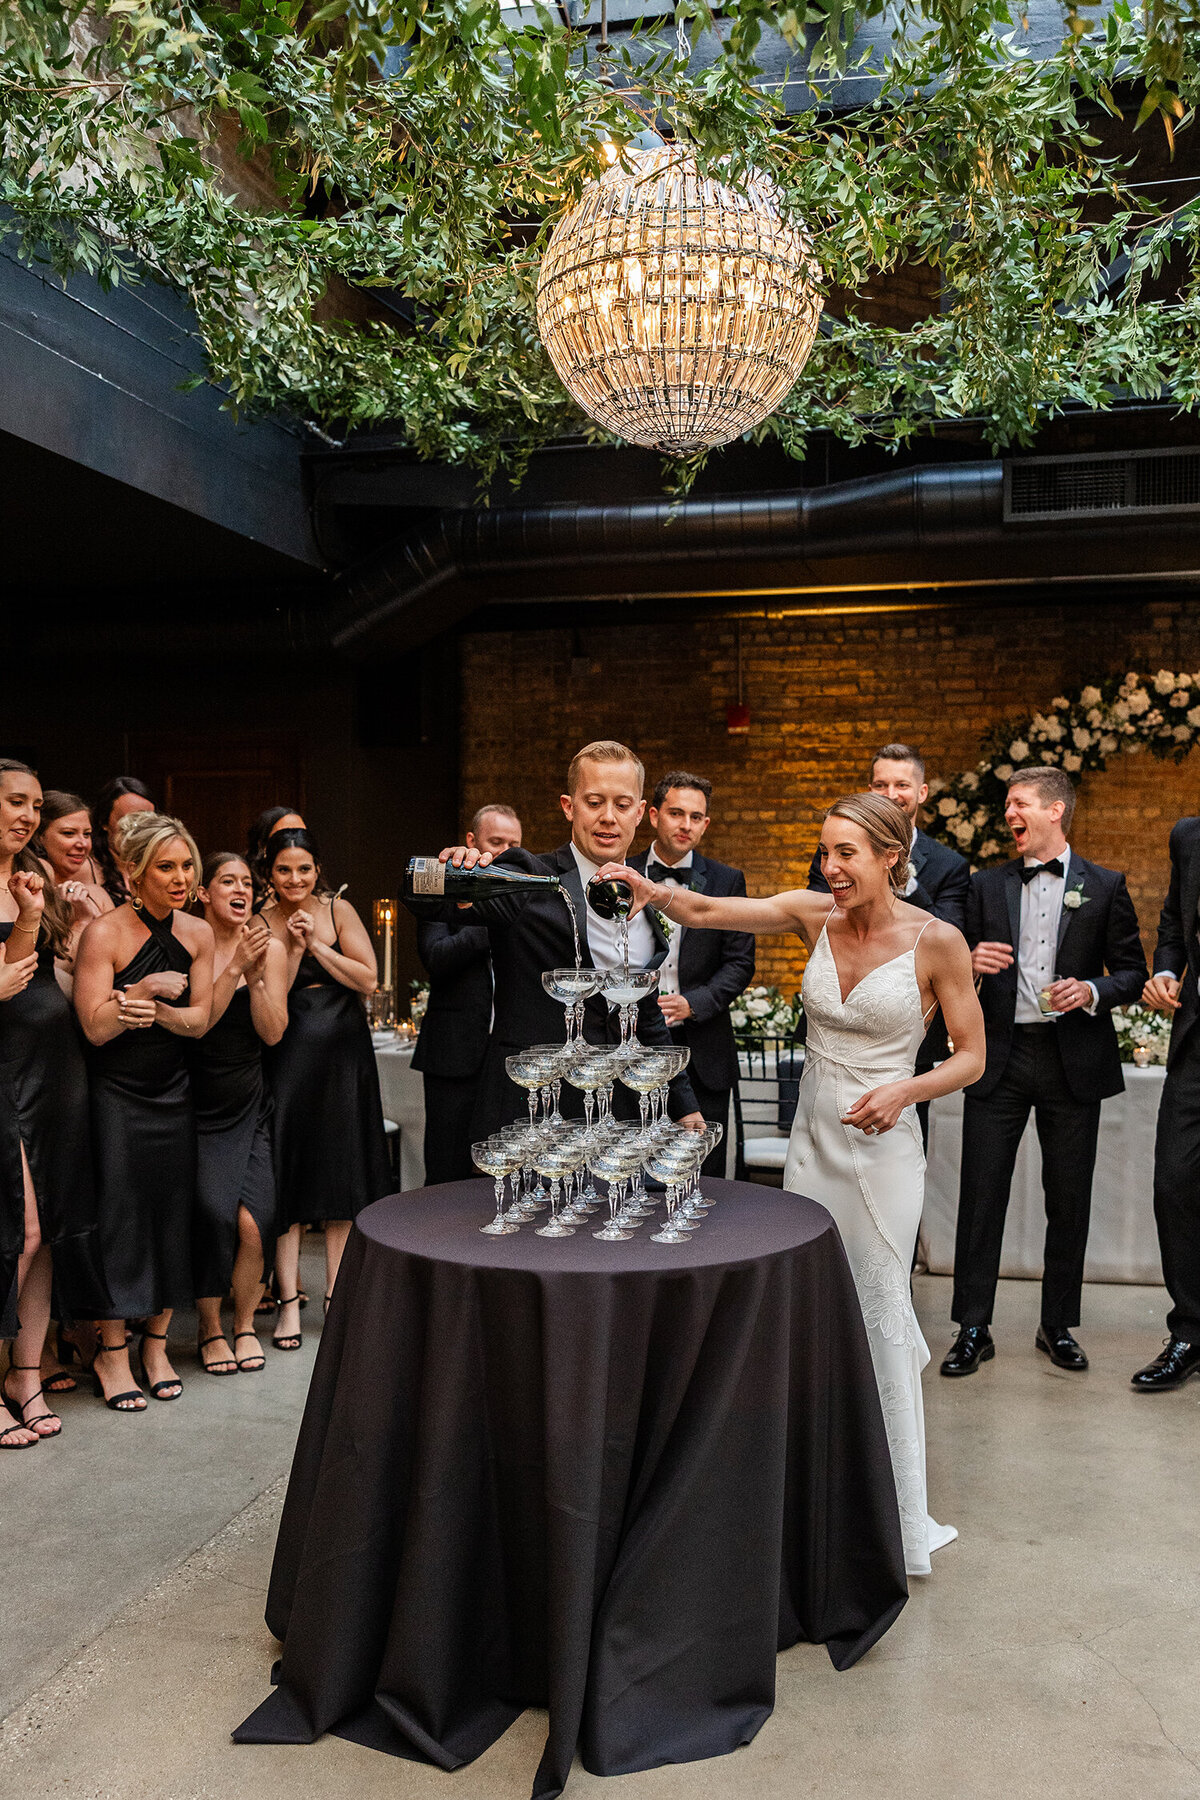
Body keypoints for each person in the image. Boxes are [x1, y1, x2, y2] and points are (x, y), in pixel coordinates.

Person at [598, 791, 986, 1577]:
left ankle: (896, 1518)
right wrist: (652, 894)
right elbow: (706, 910)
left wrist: (905, 1089)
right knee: (805, 1310)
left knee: (877, 1310)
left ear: (890, 856)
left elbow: (973, 1056)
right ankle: (813, 1495)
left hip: (883, 1153)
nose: (830, 868)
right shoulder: (814, 915)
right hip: (812, 1144)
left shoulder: (938, 941)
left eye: (847, 853)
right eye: (825, 852)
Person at [943, 767, 1147, 1379]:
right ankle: (972, 1327)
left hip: (1072, 1062)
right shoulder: (985, 887)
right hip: (997, 1058)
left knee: (1070, 1198)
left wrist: (1089, 989)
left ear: (1055, 811)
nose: (1009, 813)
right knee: (981, 1195)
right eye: (1008, 804)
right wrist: (970, 958)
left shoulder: (1105, 886)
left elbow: (1132, 973)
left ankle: (1056, 1325)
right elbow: (949, 961)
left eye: (1019, 803)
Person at [420, 740, 703, 1141]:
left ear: (640, 813)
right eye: (594, 802)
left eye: (622, 805)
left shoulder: (645, 893)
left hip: (616, 1116)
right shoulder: (527, 876)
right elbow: (431, 905)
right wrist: (447, 875)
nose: (608, 817)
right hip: (533, 1111)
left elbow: (645, 1014)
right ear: (569, 806)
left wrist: (683, 1102)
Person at [74, 813, 214, 1411]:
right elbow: (96, 1028)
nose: (181, 877)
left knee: (172, 1213)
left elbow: (200, 1022)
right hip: (116, 1095)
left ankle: (156, 1344)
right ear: (134, 872)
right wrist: (139, 992)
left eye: (187, 865)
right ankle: (111, 1352)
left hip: (174, 1093)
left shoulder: (199, 934)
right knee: (121, 1217)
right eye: (166, 867)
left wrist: (145, 1006)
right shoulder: (104, 934)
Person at [0, 761, 109, 1441]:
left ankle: (26, 1374)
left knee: (46, 1237)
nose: (29, 815)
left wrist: (40, 915)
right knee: (16, 1232)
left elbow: (24, 969)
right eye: (15, 801)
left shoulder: (25, 880)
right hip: (4, 1072)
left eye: (35, 804)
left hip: (52, 1069)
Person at [261, 828, 390, 1352]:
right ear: (269, 873)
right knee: (289, 1174)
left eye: (305, 869)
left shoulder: (339, 911)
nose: (295, 879)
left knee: (341, 1174)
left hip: (344, 1058)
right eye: (285, 869)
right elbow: (272, 994)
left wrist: (314, 941)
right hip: (287, 1056)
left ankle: (337, 1296)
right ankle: (289, 1301)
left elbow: (368, 978)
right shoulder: (260, 921)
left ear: (318, 871)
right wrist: (291, 947)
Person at [810, 744, 969, 1145]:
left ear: (921, 793)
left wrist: (898, 879)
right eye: (880, 784)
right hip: (830, 1029)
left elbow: (948, 932)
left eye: (901, 784)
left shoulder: (949, 864)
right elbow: (821, 910)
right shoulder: (834, 853)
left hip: (904, 1036)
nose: (890, 793)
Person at [192, 854, 288, 1375]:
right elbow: (199, 1022)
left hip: (248, 1099)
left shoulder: (265, 947)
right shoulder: (189, 941)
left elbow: (273, 1032)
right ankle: (209, 1326)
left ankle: (245, 1323)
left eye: (246, 883)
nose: (240, 890)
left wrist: (256, 978)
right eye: (227, 881)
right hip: (195, 1099)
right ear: (203, 893)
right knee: (211, 1216)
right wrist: (231, 969)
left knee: (256, 1221)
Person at [631, 772, 754, 1175]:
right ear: (653, 815)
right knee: (630, 1165)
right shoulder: (619, 873)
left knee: (705, 1174)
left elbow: (740, 962)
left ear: (706, 824)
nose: (685, 824)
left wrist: (692, 1003)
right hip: (631, 1046)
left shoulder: (726, 880)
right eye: (676, 813)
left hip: (704, 1049)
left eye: (696, 817)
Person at [413, 804, 522, 1184]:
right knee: (446, 1169)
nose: (505, 853)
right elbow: (436, 957)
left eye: (514, 844)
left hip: (510, 1061)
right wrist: (488, 923)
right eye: (496, 842)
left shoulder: (522, 896)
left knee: (502, 1173)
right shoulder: (440, 888)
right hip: (453, 1055)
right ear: (472, 841)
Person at [1134, 814, 1200, 1390]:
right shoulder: (1189, 836)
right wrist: (1166, 971)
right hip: (1196, 1039)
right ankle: (1189, 1331)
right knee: (1174, 1183)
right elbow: (1175, 925)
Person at [36, 790, 113, 966]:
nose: (82, 844)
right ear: (40, 837)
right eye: (69, 833)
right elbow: (49, 972)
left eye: (87, 834)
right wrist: (83, 921)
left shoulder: (95, 889)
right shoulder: (31, 881)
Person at [90, 776, 155, 906]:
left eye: (147, 821)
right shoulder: (89, 867)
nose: (137, 828)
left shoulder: (155, 865)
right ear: (104, 822)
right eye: (128, 820)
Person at [246, 807, 306, 907]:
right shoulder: (246, 886)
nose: (294, 841)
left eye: (302, 835)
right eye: (284, 836)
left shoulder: (322, 895)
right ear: (262, 846)